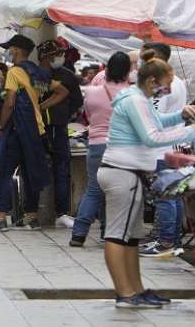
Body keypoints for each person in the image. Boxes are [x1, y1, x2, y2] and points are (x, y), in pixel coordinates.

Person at [98, 50, 195, 308]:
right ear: (152, 82)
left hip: (129, 173)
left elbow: (156, 121)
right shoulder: (135, 101)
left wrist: (180, 117)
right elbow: (151, 137)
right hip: (122, 173)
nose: (165, 93)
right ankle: (125, 294)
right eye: (164, 88)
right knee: (118, 235)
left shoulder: (137, 98)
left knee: (130, 237)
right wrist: (191, 131)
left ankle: (136, 290)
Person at [0, 35, 68, 232]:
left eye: (10, 49)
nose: (9, 52)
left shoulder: (15, 72)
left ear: (17, 50)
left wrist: (1, 126)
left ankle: (0, 217)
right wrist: (41, 107)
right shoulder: (39, 72)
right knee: (30, 170)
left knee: (4, 171)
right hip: (37, 129)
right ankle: (31, 217)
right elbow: (62, 91)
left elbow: (9, 103)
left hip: (18, 129)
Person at [70, 52, 131, 247]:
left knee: (94, 189)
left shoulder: (92, 92)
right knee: (116, 191)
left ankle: (78, 234)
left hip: (96, 144)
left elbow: (88, 116)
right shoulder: (130, 92)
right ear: (127, 70)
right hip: (120, 146)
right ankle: (111, 233)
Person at [134, 43, 189, 258]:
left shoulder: (161, 84)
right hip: (174, 145)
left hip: (160, 148)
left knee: (165, 196)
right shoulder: (178, 82)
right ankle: (173, 240)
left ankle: (166, 242)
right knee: (173, 195)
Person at [38, 40, 84, 228]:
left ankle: (62, 212)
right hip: (40, 127)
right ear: (46, 56)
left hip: (58, 127)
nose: (61, 58)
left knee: (61, 169)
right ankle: (33, 210)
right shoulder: (36, 75)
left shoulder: (68, 76)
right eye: (57, 54)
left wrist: (62, 115)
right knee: (40, 168)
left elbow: (76, 101)